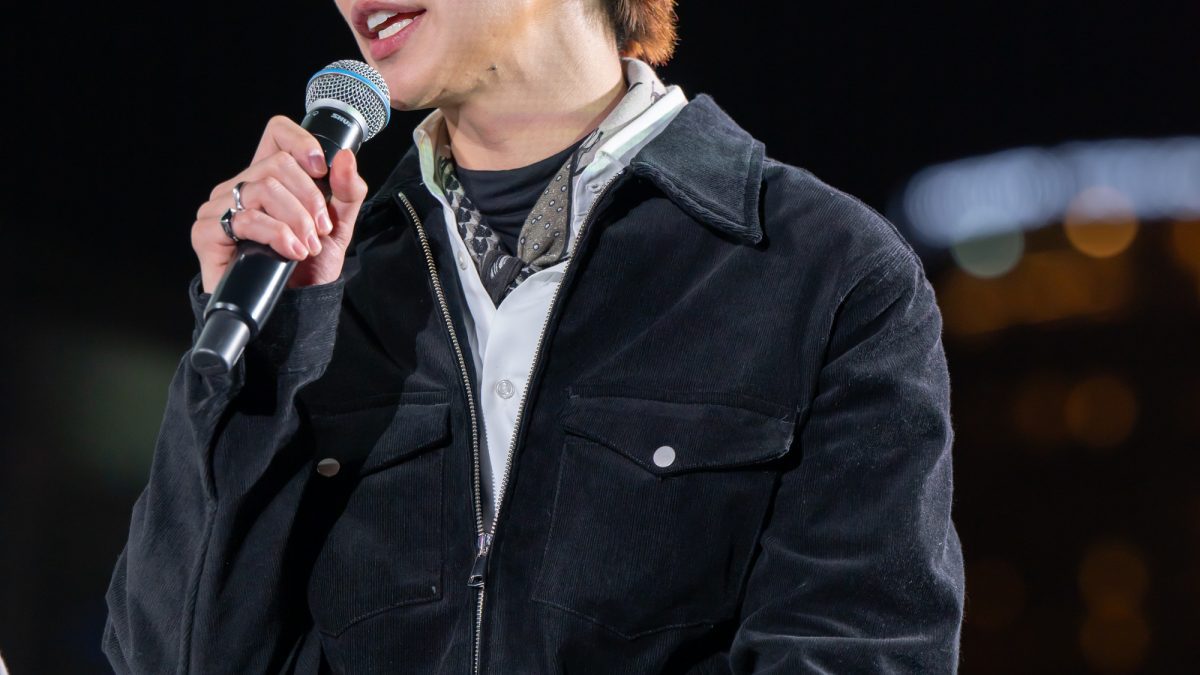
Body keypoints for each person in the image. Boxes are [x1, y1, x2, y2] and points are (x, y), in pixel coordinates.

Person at [103, 0, 965, 672]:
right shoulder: (324, 286)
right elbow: (171, 658)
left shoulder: (823, 271)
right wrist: (265, 348)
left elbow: (855, 649)